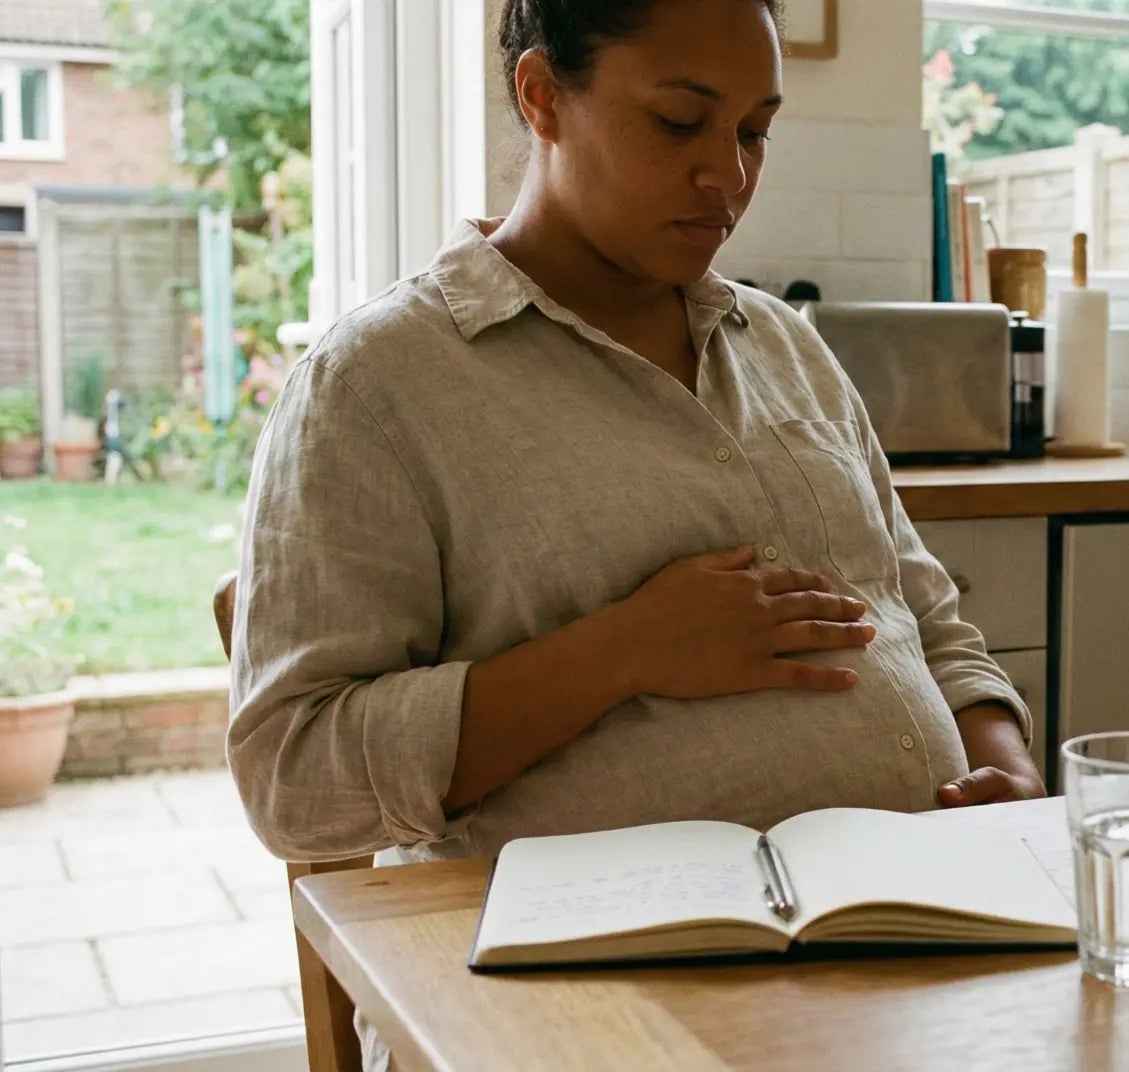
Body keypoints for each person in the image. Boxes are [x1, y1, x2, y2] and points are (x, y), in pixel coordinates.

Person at [227, 2, 1043, 1062]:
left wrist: (1004, 770)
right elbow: (294, 778)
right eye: (678, 124)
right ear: (540, 97)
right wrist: (626, 650)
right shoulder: (379, 385)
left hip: (907, 958)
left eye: (753, 130)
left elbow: (928, 620)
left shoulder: (788, 346)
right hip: (570, 1006)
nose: (730, 176)